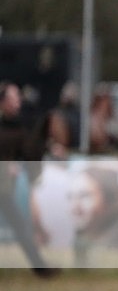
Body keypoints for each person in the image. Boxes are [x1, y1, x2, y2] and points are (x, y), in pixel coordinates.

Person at [0, 80, 58, 277]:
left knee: (20, 226)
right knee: (20, 226)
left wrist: (49, 146)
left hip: (4, 188)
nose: (18, 101)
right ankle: (40, 267)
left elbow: (29, 151)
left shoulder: (18, 126)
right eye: (13, 98)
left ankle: (40, 267)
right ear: (2, 102)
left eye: (18, 97)